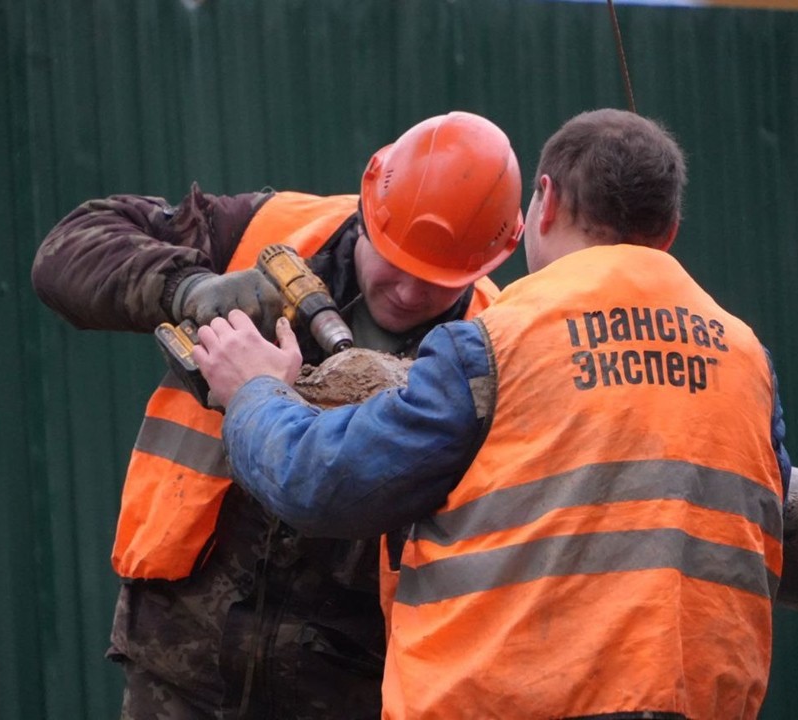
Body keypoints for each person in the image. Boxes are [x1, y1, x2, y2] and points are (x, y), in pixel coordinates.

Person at [193, 108, 791, 720]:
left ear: (545, 202)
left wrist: (253, 393)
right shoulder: (749, 362)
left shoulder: (494, 345)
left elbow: (319, 483)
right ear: (667, 231)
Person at [31, 111, 523, 719]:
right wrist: (185, 289)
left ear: (491, 260)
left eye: (435, 281)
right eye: (393, 262)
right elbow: (67, 250)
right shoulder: (270, 229)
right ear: (371, 207)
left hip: (342, 687)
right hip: (179, 665)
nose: (406, 292)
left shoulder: (495, 351)